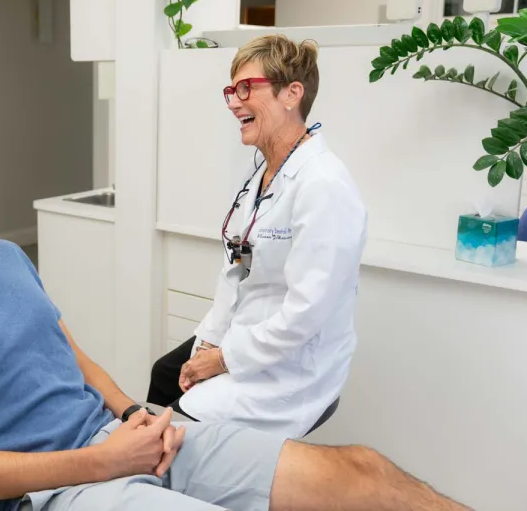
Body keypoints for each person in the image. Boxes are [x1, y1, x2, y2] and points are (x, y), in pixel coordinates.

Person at [0, 117, 466, 511]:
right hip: (53, 489)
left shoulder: (4, 257)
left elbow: (72, 356)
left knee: (365, 473)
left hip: (123, 441)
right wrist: (103, 462)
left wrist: (134, 415)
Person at [147, 35, 368, 438]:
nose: (233, 102)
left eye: (246, 88)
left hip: (294, 364)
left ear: (292, 94)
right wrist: (207, 344)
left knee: (180, 420)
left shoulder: (324, 186)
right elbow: (235, 271)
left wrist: (222, 359)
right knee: (164, 374)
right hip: (250, 330)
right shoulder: (263, 176)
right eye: (231, 90)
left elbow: (305, 315)